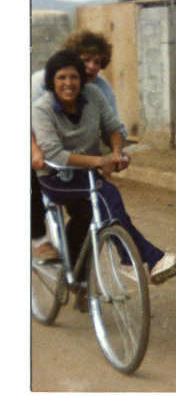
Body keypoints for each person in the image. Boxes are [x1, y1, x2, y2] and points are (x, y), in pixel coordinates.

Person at [32, 50, 176, 288]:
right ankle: (142, 259)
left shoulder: (94, 94)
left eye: (74, 77)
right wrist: (100, 162)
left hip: (85, 174)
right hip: (54, 177)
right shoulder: (41, 108)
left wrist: (117, 152)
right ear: (51, 82)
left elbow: (112, 127)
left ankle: (77, 280)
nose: (69, 83)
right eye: (62, 78)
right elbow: (53, 153)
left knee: (92, 217)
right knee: (107, 196)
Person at [31, 30, 126, 263]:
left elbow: (110, 128)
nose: (93, 67)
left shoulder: (99, 89)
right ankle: (38, 239)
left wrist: (115, 155)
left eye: (98, 62)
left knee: (88, 211)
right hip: (39, 145)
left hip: (74, 158)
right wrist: (34, 150)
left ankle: (74, 269)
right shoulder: (41, 82)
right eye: (86, 60)